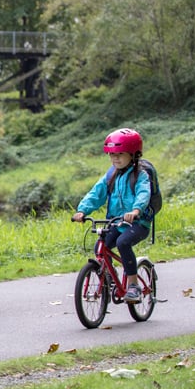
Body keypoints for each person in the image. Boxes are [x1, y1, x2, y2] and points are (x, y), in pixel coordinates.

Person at [72, 128, 151, 303]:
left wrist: (136, 211)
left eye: (120, 154)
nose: (115, 158)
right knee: (100, 248)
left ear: (133, 154)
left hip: (138, 223)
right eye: (112, 154)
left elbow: (143, 194)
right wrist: (82, 210)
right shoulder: (111, 175)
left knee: (123, 243)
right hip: (116, 222)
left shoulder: (140, 175)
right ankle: (108, 280)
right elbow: (96, 193)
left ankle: (133, 286)